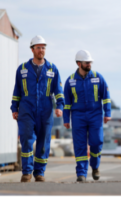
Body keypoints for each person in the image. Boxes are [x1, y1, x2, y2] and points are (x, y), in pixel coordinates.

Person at [11, 35, 64, 182]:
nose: (41, 50)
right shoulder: (22, 69)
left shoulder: (53, 69)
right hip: (26, 109)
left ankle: (39, 173)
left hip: (46, 110)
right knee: (27, 139)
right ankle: (27, 172)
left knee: (43, 142)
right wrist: (14, 108)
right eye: (38, 47)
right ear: (32, 49)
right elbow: (17, 91)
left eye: (43, 47)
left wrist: (59, 106)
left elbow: (58, 91)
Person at [63, 50, 111, 182]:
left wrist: (107, 113)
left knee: (97, 142)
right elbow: (67, 103)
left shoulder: (98, 78)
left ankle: (95, 166)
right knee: (80, 145)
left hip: (95, 115)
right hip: (78, 116)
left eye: (90, 62)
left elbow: (106, 98)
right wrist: (66, 119)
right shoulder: (70, 81)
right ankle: (81, 173)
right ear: (79, 63)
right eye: (86, 62)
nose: (89, 64)